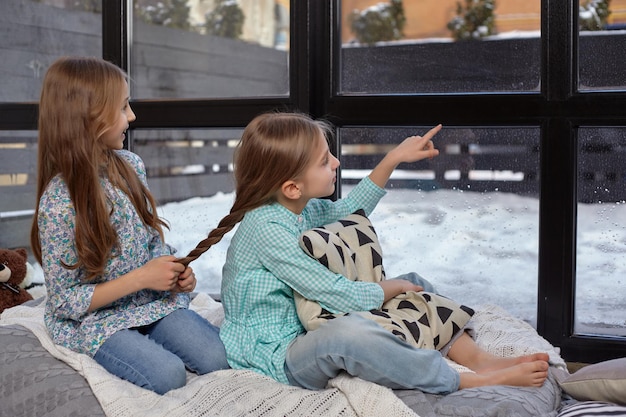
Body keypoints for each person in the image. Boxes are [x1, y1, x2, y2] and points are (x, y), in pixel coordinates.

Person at [176, 111, 550, 394]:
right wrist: (389, 289)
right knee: (350, 334)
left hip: (308, 323)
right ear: (291, 186)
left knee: (415, 284)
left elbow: (348, 211)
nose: (336, 163)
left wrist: (392, 159)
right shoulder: (267, 229)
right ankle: (458, 381)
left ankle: (476, 359)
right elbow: (334, 292)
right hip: (276, 356)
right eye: (325, 161)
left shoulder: (297, 208)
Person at [30, 56, 229, 395]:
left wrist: (173, 273)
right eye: (123, 108)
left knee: (217, 357)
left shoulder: (131, 166)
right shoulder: (59, 202)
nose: (132, 117)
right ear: (89, 118)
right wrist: (140, 278)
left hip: (150, 302)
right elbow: (64, 301)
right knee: (166, 375)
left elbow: (150, 242)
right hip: (97, 321)